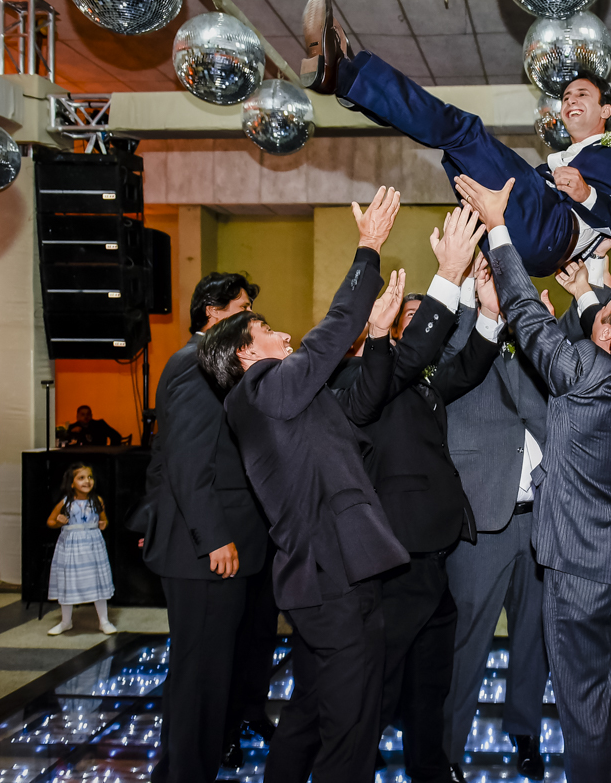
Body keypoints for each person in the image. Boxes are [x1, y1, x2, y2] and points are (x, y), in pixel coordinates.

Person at [455, 173, 611, 782]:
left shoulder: (579, 370)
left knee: (584, 706)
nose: (598, 313)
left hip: (582, 566)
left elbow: (525, 312)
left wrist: (499, 226)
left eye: (604, 313)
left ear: (607, 332)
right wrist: (586, 290)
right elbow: (608, 324)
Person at [201, 186, 416, 783]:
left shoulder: (284, 401)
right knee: (351, 726)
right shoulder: (262, 389)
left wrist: (378, 334)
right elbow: (329, 333)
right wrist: (368, 249)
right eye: (267, 330)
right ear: (245, 355)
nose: (283, 335)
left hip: (336, 572)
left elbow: (362, 406)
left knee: (309, 714)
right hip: (331, 578)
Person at [299, 0, 611, 277]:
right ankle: (353, 90)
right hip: (524, 237)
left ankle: (346, 78)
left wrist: (587, 195)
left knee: (464, 132)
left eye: (582, 94)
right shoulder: (553, 163)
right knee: (454, 148)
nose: (570, 100)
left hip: (552, 229)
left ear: (606, 110)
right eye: (565, 96)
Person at [329, 207, 496, 783]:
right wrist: (448, 275)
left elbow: (462, 371)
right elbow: (410, 360)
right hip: (397, 549)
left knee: (430, 679)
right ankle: (351, 764)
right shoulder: (351, 379)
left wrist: (490, 314)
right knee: (379, 677)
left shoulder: (402, 374)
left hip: (429, 548)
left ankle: (427, 767)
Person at [138, 270, 271, 783]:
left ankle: (188, 767)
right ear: (212, 312)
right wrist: (214, 536)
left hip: (221, 544)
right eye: (240, 308)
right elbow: (188, 462)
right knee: (200, 677)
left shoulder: (213, 361)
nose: (249, 317)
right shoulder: (195, 364)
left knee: (211, 671)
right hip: (206, 552)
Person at [45, 463, 116, 635]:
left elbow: (104, 519)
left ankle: (104, 621)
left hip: (92, 546)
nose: (87, 481)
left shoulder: (97, 501)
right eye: (81, 478)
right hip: (71, 547)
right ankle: (66, 621)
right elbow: (50, 521)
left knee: (97, 580)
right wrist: (58, 522)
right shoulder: (66, 503)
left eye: (90, 477)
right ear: (71, 483)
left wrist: (103, 524)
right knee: (68, 581)